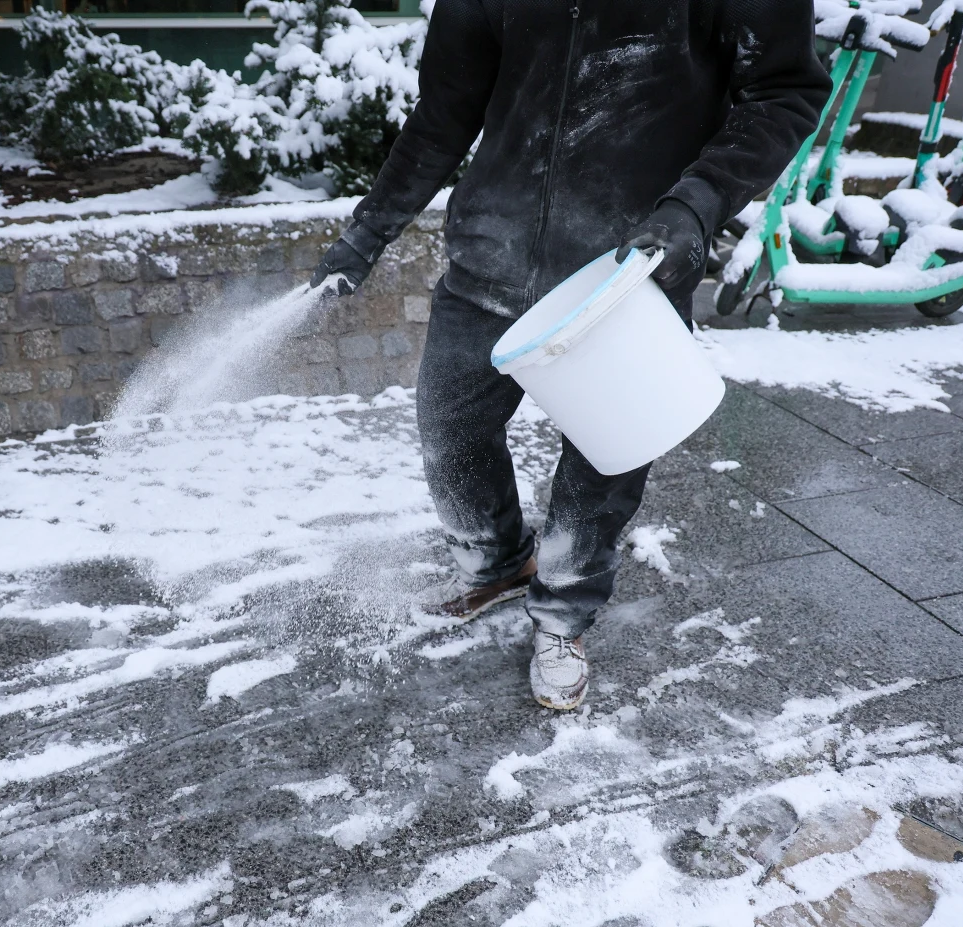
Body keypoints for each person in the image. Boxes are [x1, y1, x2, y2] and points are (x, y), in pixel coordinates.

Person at [311, 0, 831, 710]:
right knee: (450, 434)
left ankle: (562, 613)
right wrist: (366, 234)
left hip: (626, 267)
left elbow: (783, 91)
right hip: (489, 256)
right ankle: (497, 563)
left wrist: (697, 203)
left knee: (601, 462)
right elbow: (444, 114)